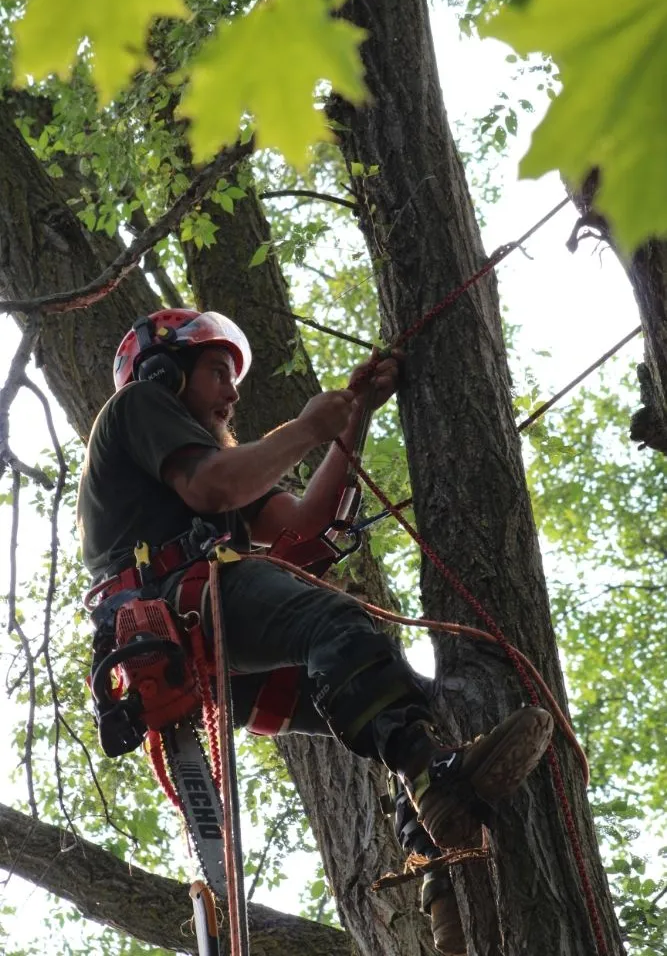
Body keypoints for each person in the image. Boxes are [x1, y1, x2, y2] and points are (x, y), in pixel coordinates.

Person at [77, 308, 553, 955]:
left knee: (405, 695)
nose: (233, 391)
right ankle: (433, 783)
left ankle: (444, 885)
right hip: (175, 607)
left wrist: (352, 418)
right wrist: (304, 427)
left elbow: (302, 531)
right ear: (165, 371)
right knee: (337, 624)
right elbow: (213, 488)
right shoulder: (140, 408)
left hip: (209, 637)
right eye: (218, 371)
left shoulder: (214, 456)